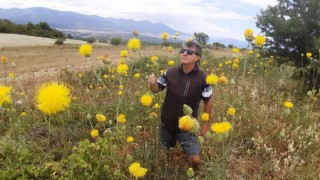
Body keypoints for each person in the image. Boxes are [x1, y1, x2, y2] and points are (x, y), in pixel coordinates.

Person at [148, 41, 213, 171]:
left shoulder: (204, 78)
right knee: (164, 154)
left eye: (189, 52)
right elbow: (156, 90)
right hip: (167, 123)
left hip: (187, 126)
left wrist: (206, 123)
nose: (184, 53)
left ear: (197, 57)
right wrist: (151, 84)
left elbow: (208, 101)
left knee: (195, 159)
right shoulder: (170, 72)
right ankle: (167, 172)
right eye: (182, 51)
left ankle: (195, 174)